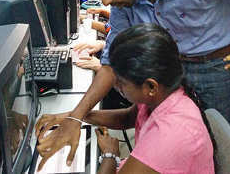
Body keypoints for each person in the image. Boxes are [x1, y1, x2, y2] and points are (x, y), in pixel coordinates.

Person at [35, 0, 230, 170]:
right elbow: (110, 65)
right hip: (170, 69)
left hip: (216, 68)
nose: (104, 0)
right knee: (162, 133)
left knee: (214, 149)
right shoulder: (124, 3)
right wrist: (76, 115)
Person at [41, 24, 217, 173]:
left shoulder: (170, 135)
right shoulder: (165, 94)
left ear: (150, 87)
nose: (115, 86)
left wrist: (110, 155)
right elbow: (128, 117)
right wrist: (75, 117)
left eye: (120, 82)